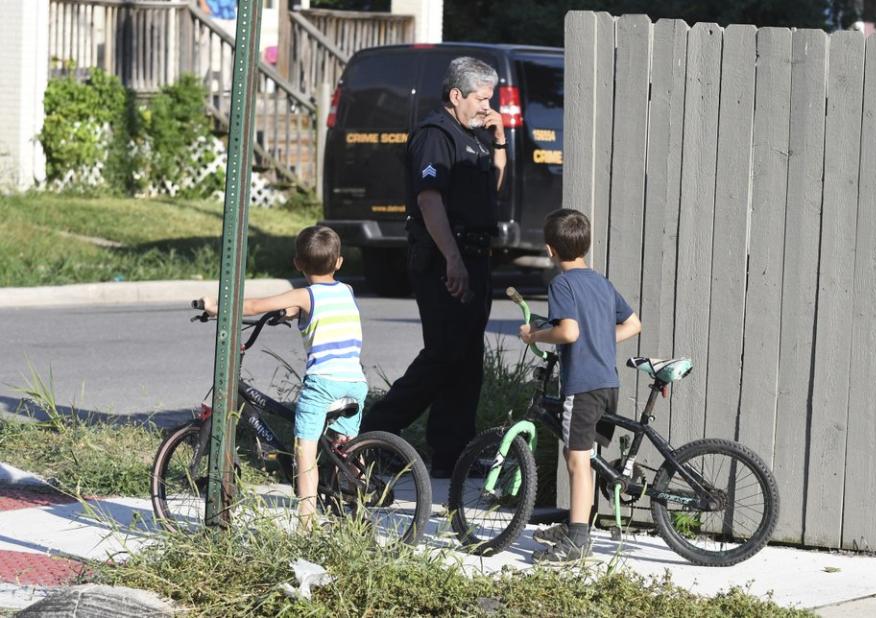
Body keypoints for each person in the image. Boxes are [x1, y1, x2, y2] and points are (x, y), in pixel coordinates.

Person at [359, 57, 507, 478]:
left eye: (490, 99)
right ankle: (375, 433)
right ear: (456, 95)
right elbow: (429, 200)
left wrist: (499, 140)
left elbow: (490, 190)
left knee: (467, 360)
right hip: (446, 259)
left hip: (474, 257)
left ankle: (451, 456)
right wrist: (453, 261)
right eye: (482, 99)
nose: (487, 106)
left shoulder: (473, 136)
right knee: (443, 356)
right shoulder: (434, 135)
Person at [200, 225, 367, 528]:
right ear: (339, 262)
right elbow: (317, 305)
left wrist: (216, 307)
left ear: (298, 264)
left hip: (323, 383)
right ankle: (361, 490)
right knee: (345, 443)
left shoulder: (303, 294)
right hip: (355, 381)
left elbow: (251, 306)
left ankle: (305, 524)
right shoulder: (347, 290)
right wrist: (292, 312)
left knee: (305, 450)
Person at [519, 209, 642, 563]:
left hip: (583, 384)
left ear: (549, 250)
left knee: (577, 460)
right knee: (580, 457)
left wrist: (535, 335)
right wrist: (601, 341)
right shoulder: (601, 282)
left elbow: (568, 331)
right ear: (586, 245)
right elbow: (633, 324)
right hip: (608, 383)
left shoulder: (562, 284)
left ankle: (577, 542)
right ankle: (577, 526)